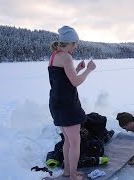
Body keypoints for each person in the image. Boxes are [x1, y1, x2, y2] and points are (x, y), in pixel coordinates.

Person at [48, 25, 96, 180]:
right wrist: (88, 70)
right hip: (67, 105)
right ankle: (73, 175)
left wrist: (78, 69)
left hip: (57, 103)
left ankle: (68, 171)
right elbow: (75, 82)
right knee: (75, 142)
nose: (75, 47)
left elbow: (65, 79)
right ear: (69, 42)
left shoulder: (55, 55)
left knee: (68, 140)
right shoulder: (66, 57)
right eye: (75, 43)